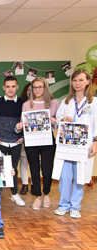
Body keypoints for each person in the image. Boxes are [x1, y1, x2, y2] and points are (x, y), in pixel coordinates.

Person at [52, 69, 97, 219]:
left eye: (80, 80)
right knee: (65, 176)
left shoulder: (94, 102)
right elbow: (58, 119)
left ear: (88, 82)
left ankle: (75, 206)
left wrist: (95, 143)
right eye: (75, 80)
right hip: (67, 144)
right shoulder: (66, 101)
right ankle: (63, 205)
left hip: (84, 146)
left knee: (80, 176)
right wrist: (63, 120)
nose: (77, 83)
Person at [18, 77, 59, 210]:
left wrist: (54, 122)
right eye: (34, 87)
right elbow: (23, 124)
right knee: (34, 169)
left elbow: (59, 123)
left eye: (40, 87)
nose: (37, 90)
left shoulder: (53, 103)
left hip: (48, 141)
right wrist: (20, 126)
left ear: (45, 88)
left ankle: (46, 193)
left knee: (47, 169)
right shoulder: (26, 104)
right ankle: (38, 196)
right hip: (31, 141)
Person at [0, 75, 25, 206]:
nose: (10, 89)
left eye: (13, 86)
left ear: (17, 87)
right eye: (8, 87)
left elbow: (26, 122)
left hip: (16, 142)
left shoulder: (23, 103)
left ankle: (14, 194)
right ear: (4, 87)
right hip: (0, 141)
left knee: (13, 169)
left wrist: (23, 137)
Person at [18, 83, 31, 195]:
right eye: (29, 90)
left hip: (40, 139)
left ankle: (35, 184)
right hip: (23, 137)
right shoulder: (22, 104)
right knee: (23, 160)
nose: (31, 92)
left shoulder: (45, 104)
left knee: (35, 162)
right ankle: (25, 184)